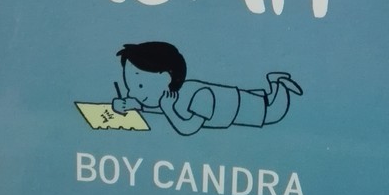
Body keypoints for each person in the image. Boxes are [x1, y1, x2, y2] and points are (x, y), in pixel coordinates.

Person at [111, 41, 302, 136]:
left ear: (168, 76)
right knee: (267, 102)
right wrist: (133, 105)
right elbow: (158, 105)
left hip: (236, 107)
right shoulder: (167, 98)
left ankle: (279, 83)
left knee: (273, 112)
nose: (133, 92)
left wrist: (168, 110)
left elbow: (188, 128)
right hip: (234, 103)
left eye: (140, 86)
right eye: (131, 86)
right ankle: (274, 84)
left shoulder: (200, 97)